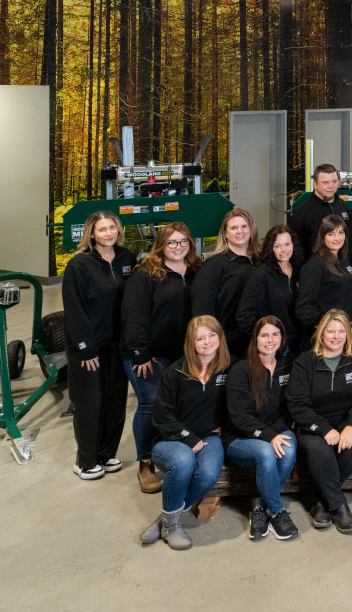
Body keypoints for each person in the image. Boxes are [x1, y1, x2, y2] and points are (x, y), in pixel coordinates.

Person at [120, 222, 200, 493]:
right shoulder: (145, 275)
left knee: (176, 405)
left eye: (183, 241)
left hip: (182, 354)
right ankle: (145, 463)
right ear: (161, 245)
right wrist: (140, 354)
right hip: (148, 356)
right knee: (150, 403)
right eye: (171, 242)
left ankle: (170, 453)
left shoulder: (196, 271)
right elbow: (134, 316)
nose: (178, 247)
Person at [139, 315, 231, 551]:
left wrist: (227, 425)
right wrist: (188, 438)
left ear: (220, 338)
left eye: (212, 335)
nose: (207, 342)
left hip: (210, 437)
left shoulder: (229, 369)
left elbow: (240, 405)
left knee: (208, 474)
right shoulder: (175, 372)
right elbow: (161, 416)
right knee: (183, 460)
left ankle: (166, 520)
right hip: (171, 439)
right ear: (191, 343)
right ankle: (171, 527)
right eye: (200, 338)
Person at [62, 209, 137, 481]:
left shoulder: (127, 258)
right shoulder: (79, 265)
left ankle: (106, 453)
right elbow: (75, 310)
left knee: (115, 399)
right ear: (91, 233)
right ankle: (85, 461)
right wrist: (86, 348)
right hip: (90, 347)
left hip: (118, 344)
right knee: (90, 401)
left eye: (112, 227)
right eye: (102, 229)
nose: (109, 233)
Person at [286, 309, 352, 535]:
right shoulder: (304, 362)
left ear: (349, 333)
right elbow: (297, 404)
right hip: (314, 423)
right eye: (331, 331)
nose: (336, 336)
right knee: (320, 451)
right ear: (321, 333)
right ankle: (338, 505)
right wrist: (324, 429)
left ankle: (322, 501)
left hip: (350, 420)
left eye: (342, 331)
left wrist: (351, 425)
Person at [224, 316, 299, 541]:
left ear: (282, 339)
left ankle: (260, 509)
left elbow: (290, 408)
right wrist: (269, 436)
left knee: (289, 448)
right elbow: (240, 417)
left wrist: (276, 433)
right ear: (255, 338)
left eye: (275, 335)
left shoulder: (288, 366)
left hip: (275, 430)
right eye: (264, 335)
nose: (270, 340)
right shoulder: (241, 370)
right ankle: (276, 512)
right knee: (267, 452)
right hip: (240, 438)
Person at [192, 207, 258, 356]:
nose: (240, 231)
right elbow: (202, 309)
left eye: (244, 226)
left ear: (251, 229)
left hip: (257, 341)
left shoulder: (261, 261)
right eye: (233, 228)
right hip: (226, 344)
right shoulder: (214, 265)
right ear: (225, 233)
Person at [237, 225, 303, 361]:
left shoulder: (300, 270)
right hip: (276, 348)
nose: (283, 250)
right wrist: (267, 338)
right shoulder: (261, 276)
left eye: (287, 244)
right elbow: (244, 316)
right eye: (277, 246)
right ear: (270, 248)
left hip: (300, 345)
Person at [295, 215, 352, 344]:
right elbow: (303, 307)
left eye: (341, 232)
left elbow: (347, 292)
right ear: (323, 237)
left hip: (343, 331)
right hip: (323, 335)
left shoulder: (344, 259)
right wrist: (326, 324)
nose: (337, 238)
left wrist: (351, 314)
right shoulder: (314, 265)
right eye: (331, 234)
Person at [290, 164, 350, 261]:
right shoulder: (303, 213)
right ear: (315, 184)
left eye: (334, 181)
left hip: (341, 265)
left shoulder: (342, 206)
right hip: (316, 267)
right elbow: (296, 252)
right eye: (326, 182)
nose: (331, 186)